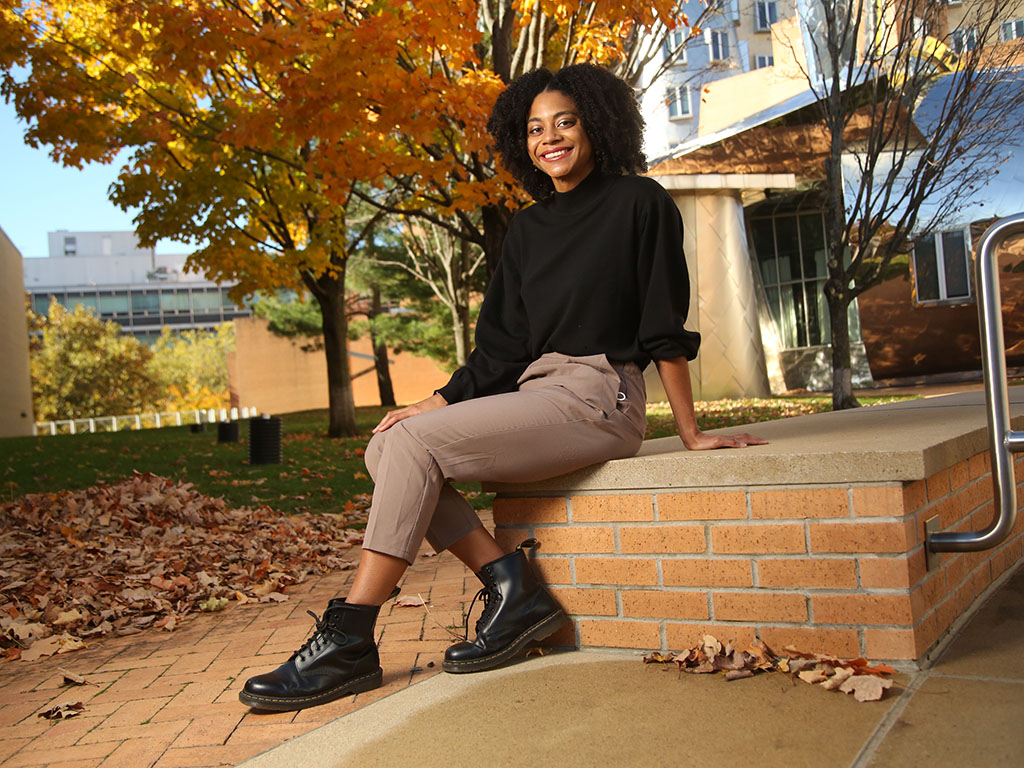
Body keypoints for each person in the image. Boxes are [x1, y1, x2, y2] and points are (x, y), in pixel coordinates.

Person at [239, 63, 766, 712]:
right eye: (536, 128)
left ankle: (352, 633)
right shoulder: (527, 230)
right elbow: (502, 349)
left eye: (566, 122)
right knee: (390, 444)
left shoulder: (640, 203)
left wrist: (689, 430)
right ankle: (514, 592)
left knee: (407, 452)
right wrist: (433, 402)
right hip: (534, 395)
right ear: (523, 143)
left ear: (597, 125)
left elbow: (663, 323)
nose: (551, 138)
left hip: (603, 395)